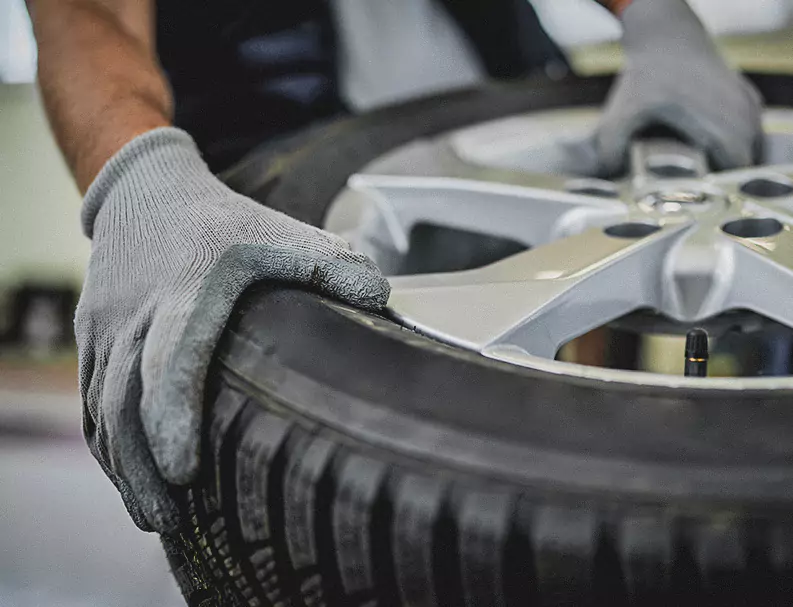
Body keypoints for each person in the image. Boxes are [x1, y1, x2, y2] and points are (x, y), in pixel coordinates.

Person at [24, 0, 762, 535]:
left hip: (508, 118)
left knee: (569, 449)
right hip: (275, 183)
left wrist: (652, 14)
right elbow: (85, 11)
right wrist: (136, 179)